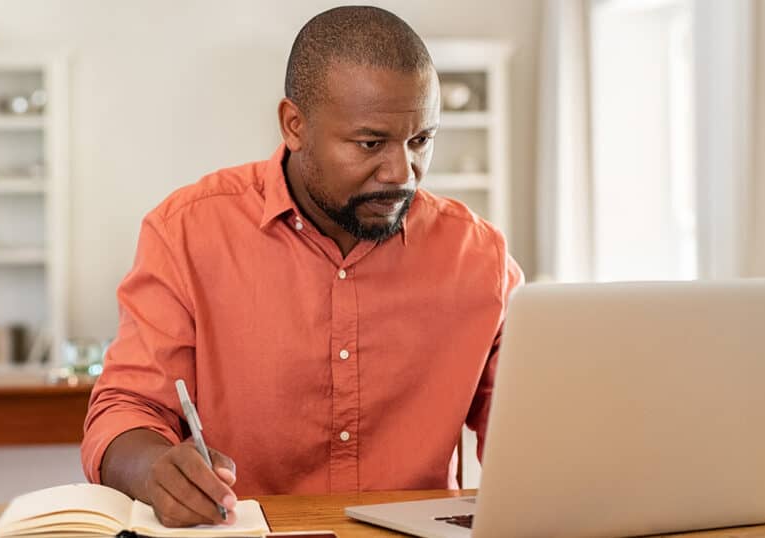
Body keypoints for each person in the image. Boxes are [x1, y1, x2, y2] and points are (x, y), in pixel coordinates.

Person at [81, 5, 523, 528]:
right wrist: (154, 469)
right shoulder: (186, 233)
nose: (403, 173)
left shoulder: (480, 258)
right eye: (370, 143)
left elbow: (532, 437)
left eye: (420, 140)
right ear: (294, 125)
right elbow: (124, 410)